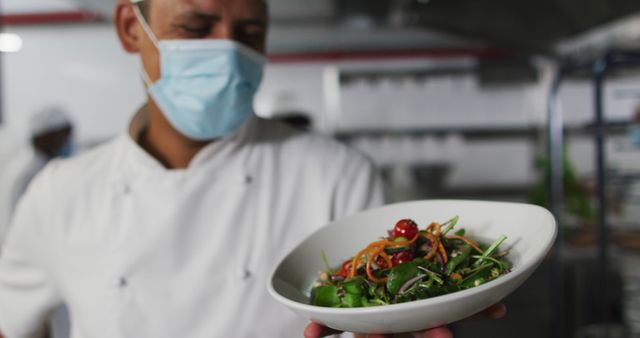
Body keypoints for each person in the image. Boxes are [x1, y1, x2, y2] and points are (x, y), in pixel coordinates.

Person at [0, 0, 503, 337]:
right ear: (133, 29)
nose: (227, 51)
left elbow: (378, 314)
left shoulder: (335, 175)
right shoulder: (59, 193)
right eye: (196, 29)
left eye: (248, 32)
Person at [0, 106, 73, 243]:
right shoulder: (26, 174)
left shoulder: (46, 167)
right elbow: (15, 225)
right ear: (42, 138)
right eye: (60, 137)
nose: (67, 142)